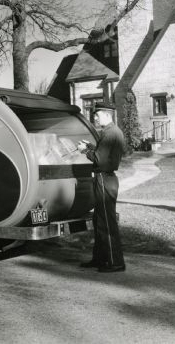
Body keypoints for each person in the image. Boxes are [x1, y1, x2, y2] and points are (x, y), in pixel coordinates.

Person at [77, 102, 126, 273]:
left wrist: (85, 151)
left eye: (96, 115)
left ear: (106, 115)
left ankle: (115, 262)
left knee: (106, 222)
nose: (94, 118)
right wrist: (91, 147)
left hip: (104, 179)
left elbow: (100, 160)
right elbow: (105, 154)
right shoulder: (113, 132)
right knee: (100, 220)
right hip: (107, 179)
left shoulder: (109, 133)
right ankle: (100, 259)